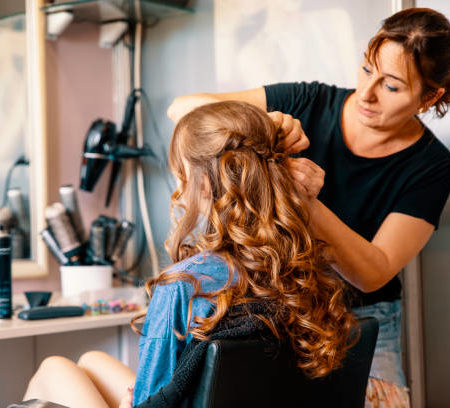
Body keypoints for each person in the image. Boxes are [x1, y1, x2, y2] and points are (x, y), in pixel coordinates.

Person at [167, 7, 450, 407]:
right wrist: (267, 123)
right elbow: (182, 110)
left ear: (430, 97)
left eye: (391, 86)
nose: (366, 94)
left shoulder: (432, 167)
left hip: (365, 320)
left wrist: (307, 205)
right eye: (367, 70)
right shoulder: (310, 100)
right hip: (280, 306)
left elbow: (373, 272)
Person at [22, 101, 356, 408]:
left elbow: (152, 399)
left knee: (53, 369)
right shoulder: (298, 268)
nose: (178, 189)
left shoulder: (185, 282)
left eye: (181, 175)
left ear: (206, 184)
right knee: (92, 360)